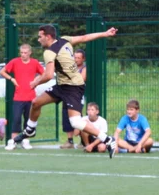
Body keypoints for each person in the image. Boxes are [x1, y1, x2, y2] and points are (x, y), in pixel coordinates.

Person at [12, 24, 118, 158]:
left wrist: (36, 82)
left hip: (74, 87)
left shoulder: (49, 52)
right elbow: (85, 37)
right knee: (36, 102)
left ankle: (108, 139)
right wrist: (105, 33)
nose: (38, 40)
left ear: (48, 36)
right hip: (62, 85)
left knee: (76, 123)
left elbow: (49, 75)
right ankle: (30, 129)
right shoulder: (65, 40)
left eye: (40, 37)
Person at [0, 43, 44, 150]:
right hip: (18, 97)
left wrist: (36, 81)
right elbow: (2, 71)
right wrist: (11, 79)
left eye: (25, 53)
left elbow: (45, 73)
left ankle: (25, 141)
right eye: (21, 53)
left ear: (30, 53)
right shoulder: (15, 62)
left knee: (28, 120)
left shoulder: (35, 62)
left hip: (31, 97)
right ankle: (13, 142)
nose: (23, 55)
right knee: (16, 119)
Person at [60, 49, 87, 149]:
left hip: (77, 96)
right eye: (74, 57)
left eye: (78, 58)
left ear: (83, 59)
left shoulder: (84, 68)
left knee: (78, 117)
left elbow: (80, 79)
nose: (76, 60)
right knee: (66, 116)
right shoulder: (69, 67)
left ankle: (82, 141)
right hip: (67, 95)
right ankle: (70, 141)